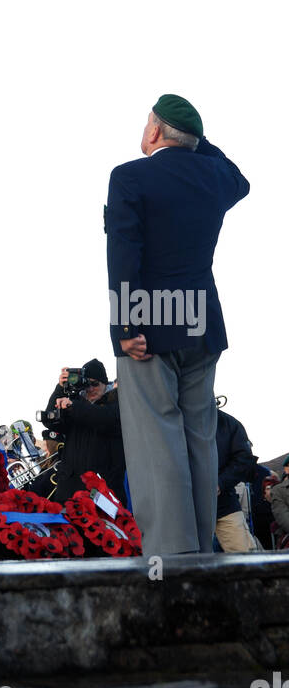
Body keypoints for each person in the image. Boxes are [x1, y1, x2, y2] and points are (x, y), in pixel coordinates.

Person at [106, 95, 250, 554]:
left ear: (154, 132)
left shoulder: (129, 176)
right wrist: (195, 141)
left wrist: (124, 324)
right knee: (200, 442)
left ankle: (172, 560)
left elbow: (124, 252)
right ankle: (203, 553)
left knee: (157, 444)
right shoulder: (217, 179)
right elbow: (240, 179)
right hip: (201, 324)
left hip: (149, 324)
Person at [39, 359, 126, 504]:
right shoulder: (76, 405)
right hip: (70, 491)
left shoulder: (117, 402)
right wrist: (61, 388)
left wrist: (74, 406)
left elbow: (104, 418)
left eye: (95, 384)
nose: (90, 389)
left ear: (105, 384)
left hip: (103, 492)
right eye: (87, 384)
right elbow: (50, 419)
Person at [214, 407, 258, 552]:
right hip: (184, 506)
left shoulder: (228, 423)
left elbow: (243, 459)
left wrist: (220, 483)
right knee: (186, 563)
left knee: (245, 556)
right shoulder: (174, 419)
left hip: (224, 503)